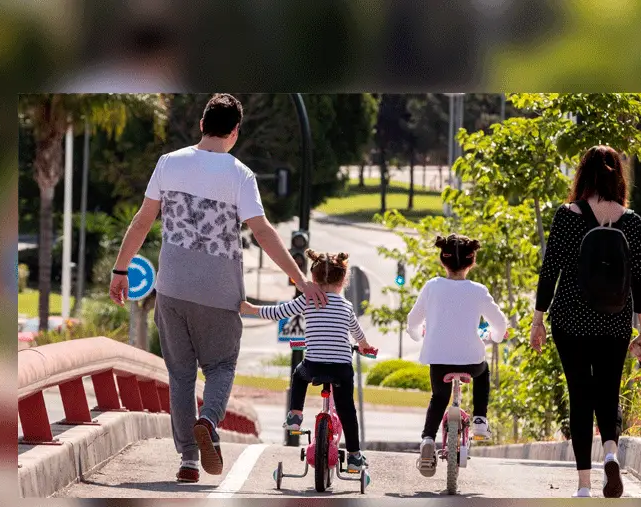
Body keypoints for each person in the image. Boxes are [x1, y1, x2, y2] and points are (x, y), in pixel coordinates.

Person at [109, 94, 327, 483]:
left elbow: (143, 220)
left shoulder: (168, 163)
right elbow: (262, 232)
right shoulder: (239, 175)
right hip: (219, 291)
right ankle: (208, 421)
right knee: (221, 366)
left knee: (180, 375)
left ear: (201, 124)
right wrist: (300, 280)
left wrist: (120, 269)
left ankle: (189, 461)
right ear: (235, 132)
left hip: (172, 287)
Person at [531, 145, 641, 498]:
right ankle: (611, 452)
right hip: (614, 322)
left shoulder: (566, 215)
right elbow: (640, 282)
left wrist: (538, 321)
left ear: (582, 175)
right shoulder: (632, 221)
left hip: (570, 318)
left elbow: (549, 271)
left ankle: (584, 485)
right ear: (619, 177)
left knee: (580, 396)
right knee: (608, 391)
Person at [241, 250, 374, 473]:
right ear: (343, 281)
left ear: (313, 279)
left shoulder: (307, 300)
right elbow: (358, 335)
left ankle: (295, 415)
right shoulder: (347, 307)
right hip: (341, 370)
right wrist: (365, 346)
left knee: (298, 375)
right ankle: (354, 457)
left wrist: (251, 309)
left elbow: (279, 312)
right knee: (347, 412)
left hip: (314, 366)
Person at [406, 234, 508, 477]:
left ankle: (428, 439)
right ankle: (480, 419)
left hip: (439, 360)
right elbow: (500, 323)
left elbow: (412, 321)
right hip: (471, 360)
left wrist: (418, 336)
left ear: (443, 261)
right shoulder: (478, 290)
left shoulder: (432, 287)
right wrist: (495, 336)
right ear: (472, 262)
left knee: (438, 397)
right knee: (484, 372)